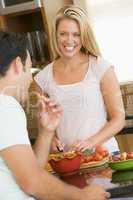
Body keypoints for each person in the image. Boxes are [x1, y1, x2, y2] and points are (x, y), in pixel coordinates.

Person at [0, 30, 110, 200]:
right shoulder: (6, 106)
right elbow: (33, 182)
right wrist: (83, 196)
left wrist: (46, 132)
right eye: (29, 69)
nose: (30, 79)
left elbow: (29, 172)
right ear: (17, 65)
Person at [34, 5, 125, 153]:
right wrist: (52, 139)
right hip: (69, 160)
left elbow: (118, 118)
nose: (69, 40)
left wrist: (90, 142)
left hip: (104, 154)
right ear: (55, 34)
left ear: (84, 36)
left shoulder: (100, 67)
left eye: (76, 34)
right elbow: (44, 126)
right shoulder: (42, 79)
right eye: (63, 33)